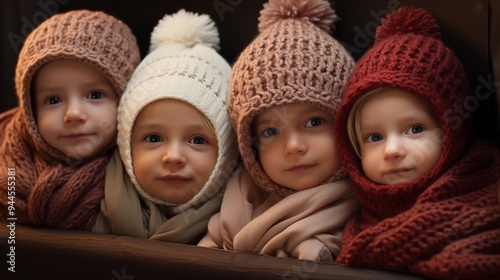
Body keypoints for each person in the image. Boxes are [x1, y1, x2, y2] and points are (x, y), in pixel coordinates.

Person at [334, 7, 500, 279]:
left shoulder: (487, 208)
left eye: (415, 129)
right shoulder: (357, 222)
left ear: (452, 132)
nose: (393, 151)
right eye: (374, 137)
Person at [198, 0, 360, 262]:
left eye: (314, 122)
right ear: (249, 146)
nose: (294, 146)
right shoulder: (234, 208)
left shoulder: (366, 209)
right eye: (270, 132)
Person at [92, 9, 239, 244]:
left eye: (198, 140)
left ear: (229, 150)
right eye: (153, 138)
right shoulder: (89, 210)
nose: (173, 157)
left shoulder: (238, 230)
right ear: (126, 144)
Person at [0, 10, 140, 230]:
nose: (73, 114)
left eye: (95, 95)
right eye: (53, 99)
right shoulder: (5, 165)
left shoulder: (142, 178)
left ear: (125, 99)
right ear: (29, 110)